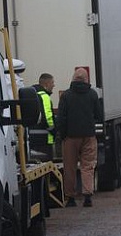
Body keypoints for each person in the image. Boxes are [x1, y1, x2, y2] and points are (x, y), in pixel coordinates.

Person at [56, 68, 103, 208]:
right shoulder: (93, 95)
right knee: (88, 166)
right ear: (86, 79)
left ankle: (70, 197)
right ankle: (87, 195)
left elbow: (61, 118)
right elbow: (99, 115)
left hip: (70, 137)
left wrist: (62, 135)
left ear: (73, 78)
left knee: (69, 167)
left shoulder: (66, 96)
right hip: (88, 136)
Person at [31, 73, 56, 159]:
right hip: (44, 139)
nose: (54, 85)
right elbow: (48, 116)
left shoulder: (32, 95)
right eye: (52, 83)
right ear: (46, 84)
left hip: (32, 138)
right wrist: (54, 131)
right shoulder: (44, 96)